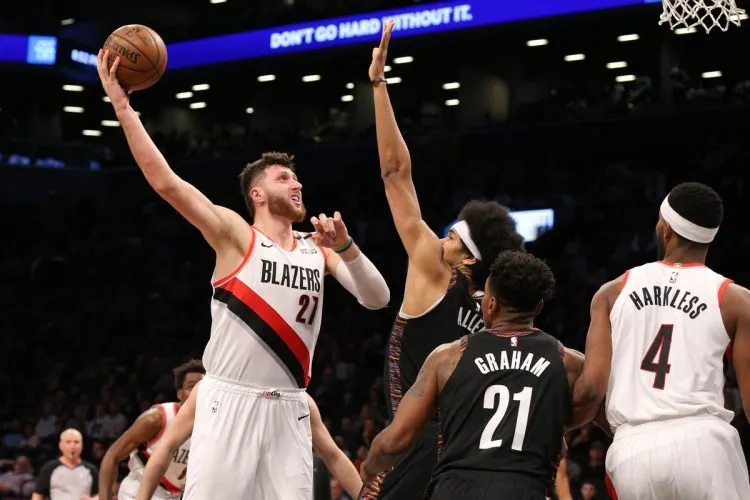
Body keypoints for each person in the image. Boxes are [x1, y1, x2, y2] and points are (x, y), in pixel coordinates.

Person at [96, 48, 390, 499]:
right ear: (257, 194)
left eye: (297, 178)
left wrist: (346, 248)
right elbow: (166, 183)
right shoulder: (236, 235)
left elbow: (378, 298)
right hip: (228, 399)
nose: (296, 184)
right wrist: (122, 106)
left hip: (290, 405)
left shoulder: (317, 249)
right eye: (282, 178)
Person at [362, 22, 525, 499]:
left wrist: (379, 83)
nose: (440, 239)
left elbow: (395, 173)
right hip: (474, 455)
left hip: (417, 448)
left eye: (452, 237)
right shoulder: (496, 313)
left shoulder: (436, 271)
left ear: (467, 260)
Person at [573, 182, 750, 499]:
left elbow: (591, 390)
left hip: (633, 448)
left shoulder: (611, 293)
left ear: (664, 228)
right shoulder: (736, 300)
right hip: (704, 444)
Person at [361, 251, 585, 500]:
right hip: (524, 488)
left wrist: (370, 467)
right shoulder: (569, 362)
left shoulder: (448, 357)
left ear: (491, 304)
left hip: (456, 488)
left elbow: (396, 439)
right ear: (539, 307)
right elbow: (597, 406)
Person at [135, 381, 362, 500]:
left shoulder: (299, 401)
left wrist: (365, 496)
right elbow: (166, 447)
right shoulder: (208, 390)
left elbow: (333, 456)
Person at [98, 360, 205, 500]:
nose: (197, 393)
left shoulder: (211, 427)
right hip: (137, 490)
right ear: (179, 393)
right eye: (191, 387)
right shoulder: (157, 418)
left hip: (174, 496)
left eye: (202, 388)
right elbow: (112, 455)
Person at [33, 429, 98, 500]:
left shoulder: (91, 469)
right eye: (68, 442)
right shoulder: (49, 468)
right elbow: (37, 495)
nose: (72, 446)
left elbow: (101, 494)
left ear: (82, 445)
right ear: (60, 445)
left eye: (76, 442)